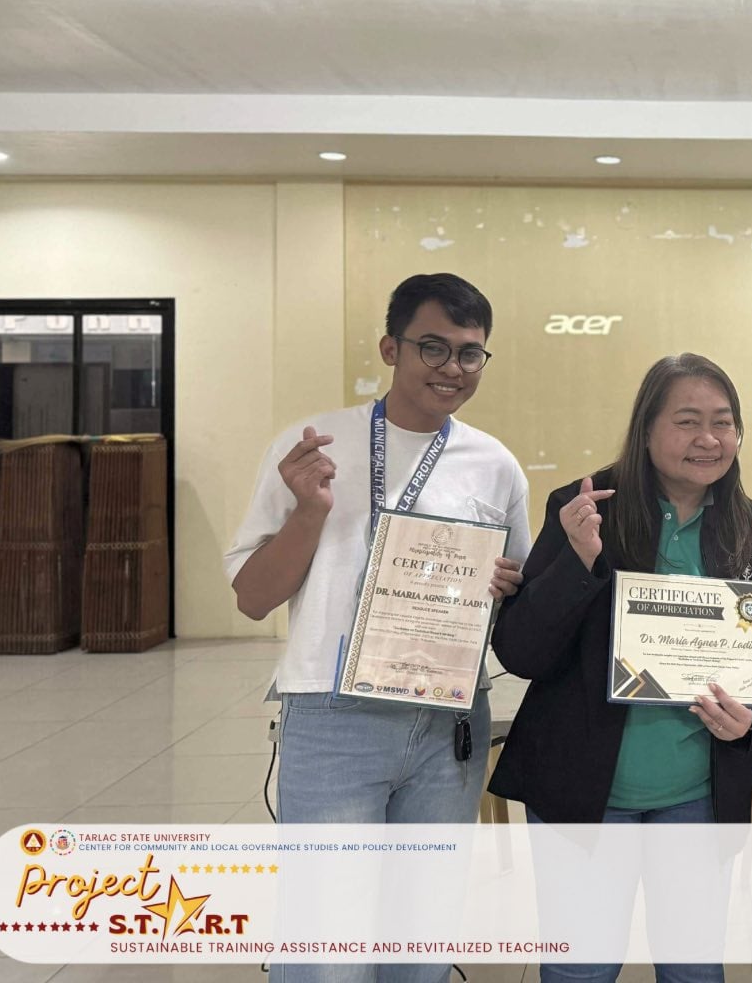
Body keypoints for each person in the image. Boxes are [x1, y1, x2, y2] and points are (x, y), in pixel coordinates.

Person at [225, 272, 531, 983]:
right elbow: (252, 598)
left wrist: (507, 589)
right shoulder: (313, 448)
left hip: (448, 723)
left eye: (470, 353)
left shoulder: (495, 465)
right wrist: (310, 511)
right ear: (391, 348)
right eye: (433, 347)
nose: (452, 368)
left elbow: (515, 601)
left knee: (421, 944)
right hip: (335, 717)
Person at [490, 352, 752, 983]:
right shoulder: (584, 509)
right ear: (647, 429)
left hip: (697, 797)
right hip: (585, 796)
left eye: (723, 422)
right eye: (687, 421)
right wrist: (579, 559)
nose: (708, 439)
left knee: (693, 970)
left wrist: (751, 722)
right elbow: (521, 652)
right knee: (581, 971)